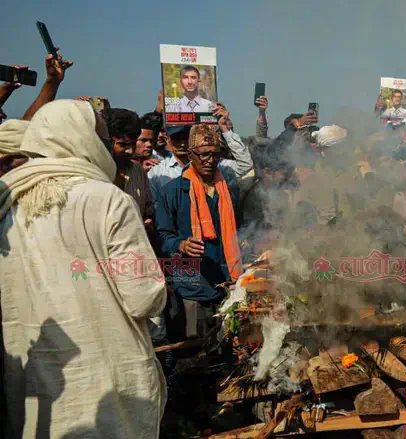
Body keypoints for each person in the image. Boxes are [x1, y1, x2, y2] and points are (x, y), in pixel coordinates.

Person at [0, 99, 166, 437]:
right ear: (81, 138)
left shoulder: (6, 204)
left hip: (36, 394)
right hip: (108, 386)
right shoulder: (108, 199)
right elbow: (142, 298)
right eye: (101, 137)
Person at [155, 124, 242, 340]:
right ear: (191, 155)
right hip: (191, 281)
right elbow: (163, 236)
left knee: (228, 343)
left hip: (226, 279)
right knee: (194, 345)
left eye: (214, 155)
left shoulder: (228, 188)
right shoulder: (172, 190)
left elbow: (239, 227)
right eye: (203, 155)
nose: (209, 161)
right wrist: (181, 245)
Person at [148, 104, 252, 208]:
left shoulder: (213, 165)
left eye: (186, 138)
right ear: (167, 138)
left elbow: (245, 164)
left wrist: (225, 129)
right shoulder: (158, 172)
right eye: (177, 138)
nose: (183, 143)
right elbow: (153, 206)